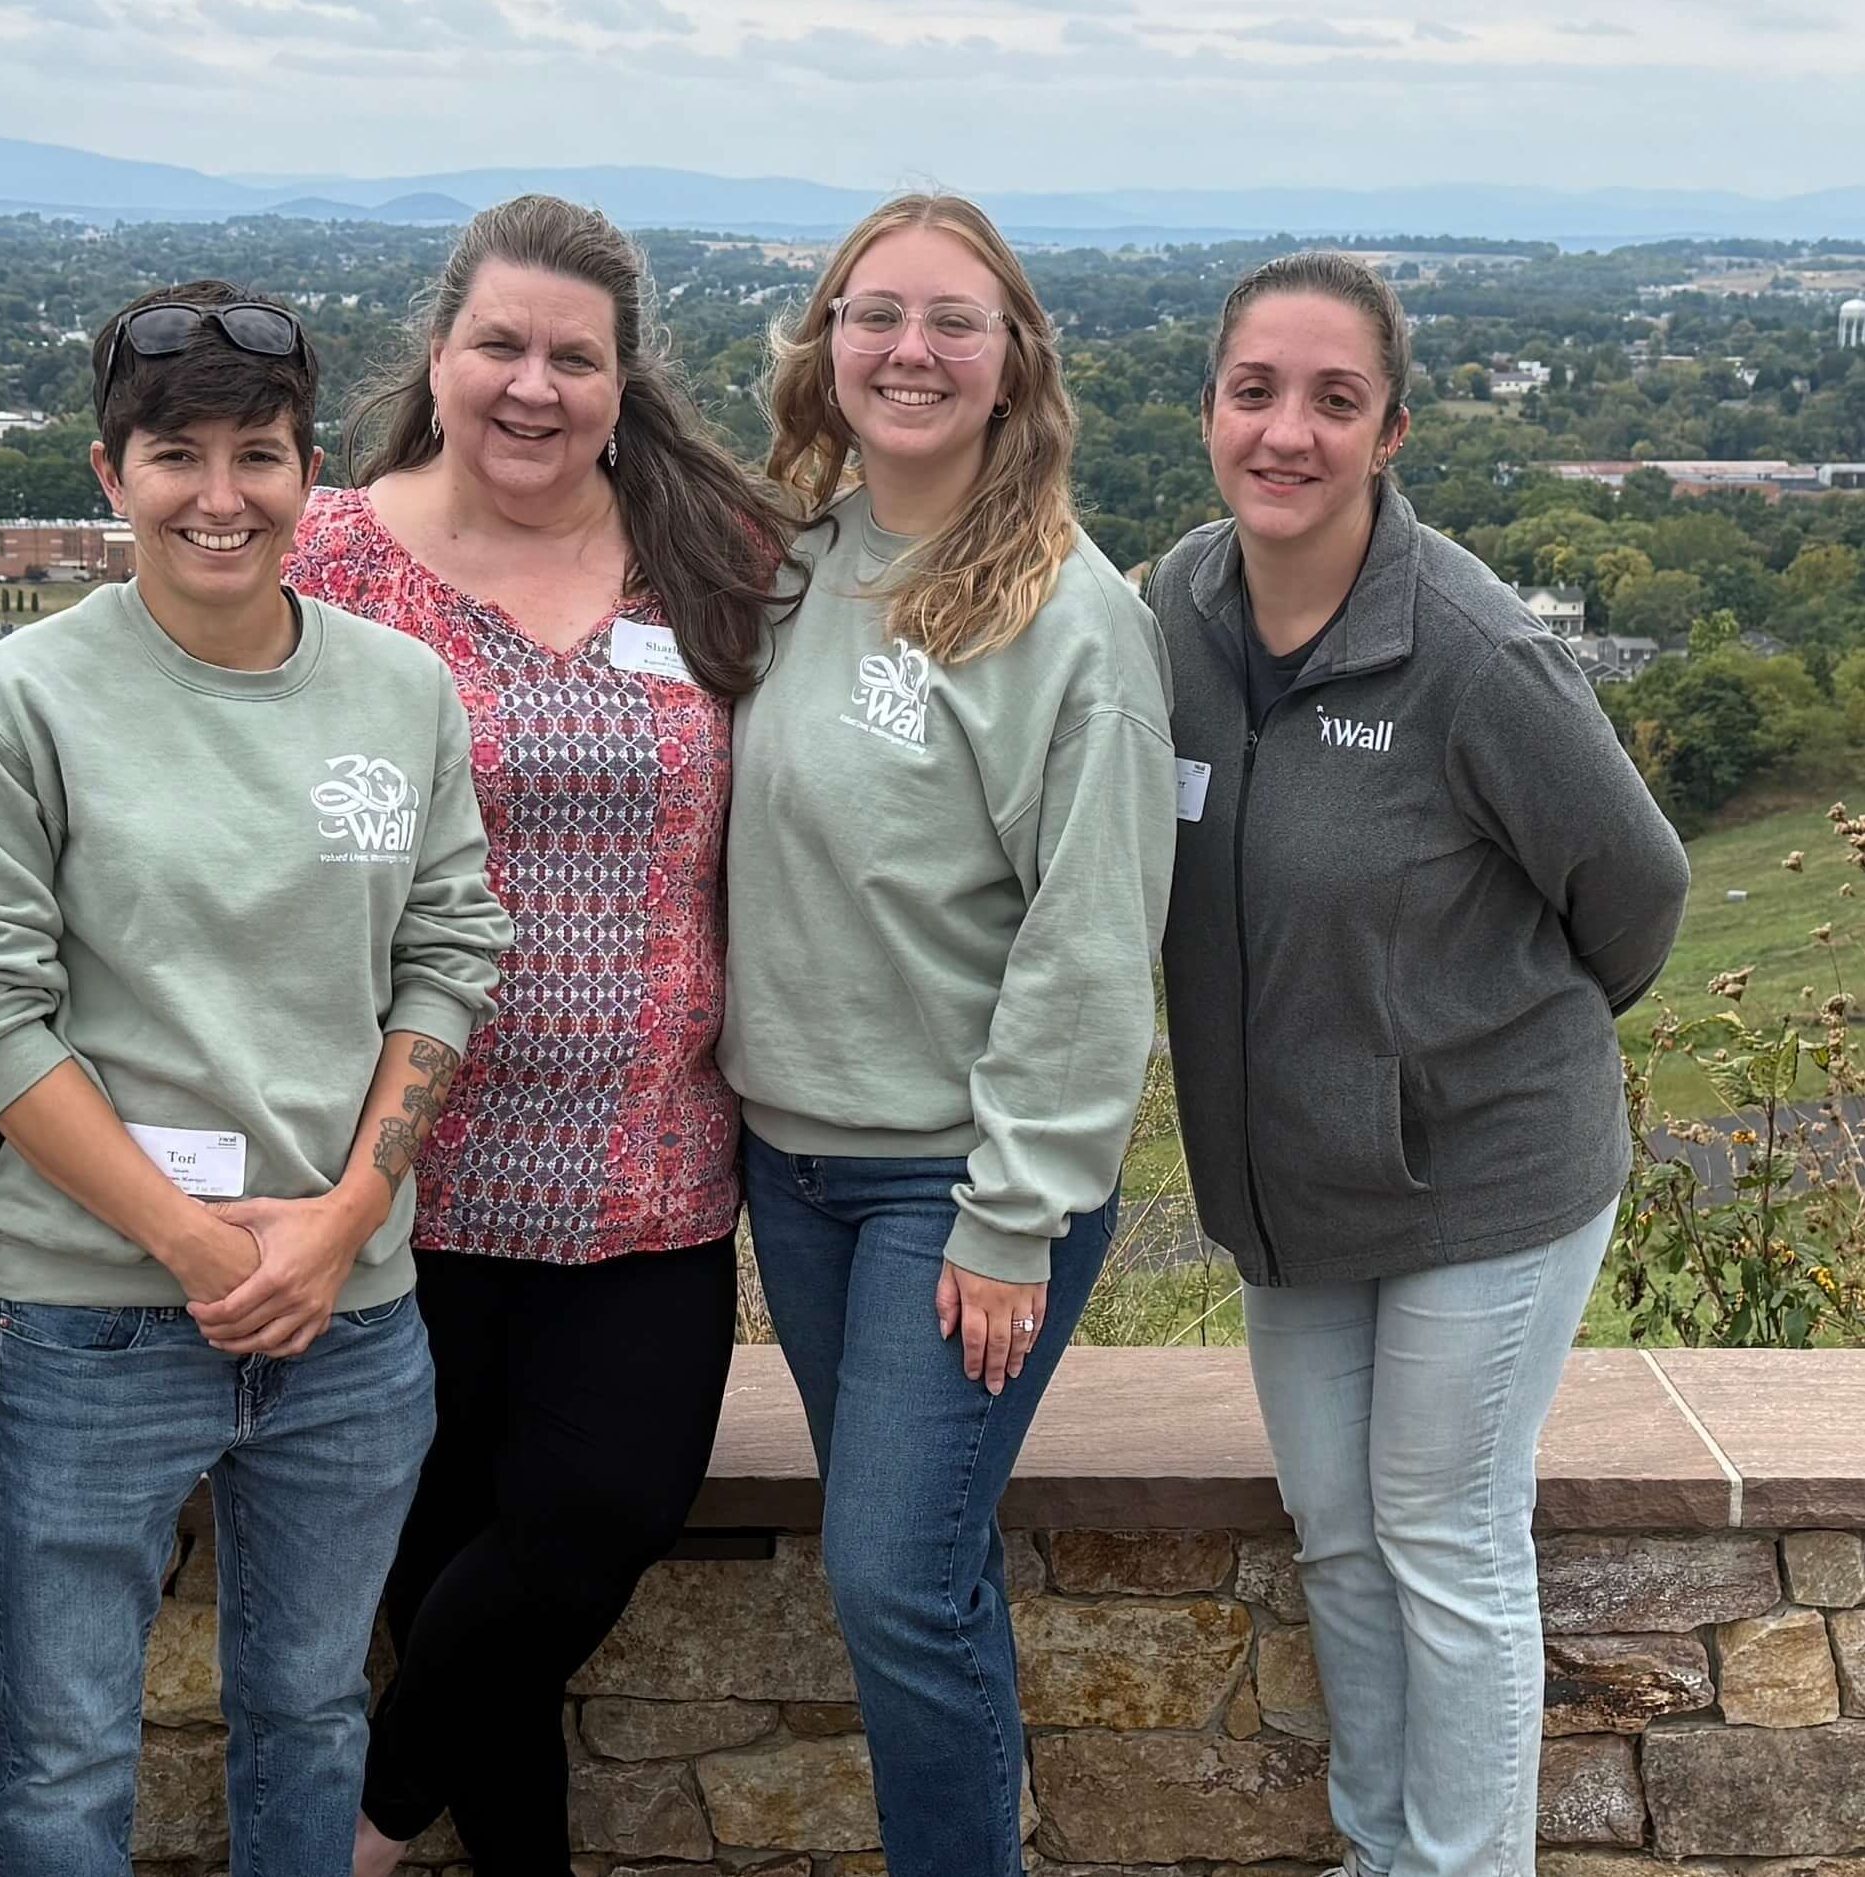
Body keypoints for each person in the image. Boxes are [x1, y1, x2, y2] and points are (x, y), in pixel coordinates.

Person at [0, 278, 512, 1875]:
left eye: (261, 454)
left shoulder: (402, 690)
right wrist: (191, 1240)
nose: (221, 496)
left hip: (349, 1314)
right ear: (112, 480)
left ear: (315, 472)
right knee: (62, 1749)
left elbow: (449, 957)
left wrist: (342, 1219)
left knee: (312, 1710)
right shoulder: (21, 701)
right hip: (98, 1308)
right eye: (177, 456)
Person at [1152, 252, 1689, 1877]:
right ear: (1207, 412)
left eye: (1333, 399)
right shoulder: (1166, 610)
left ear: (1390, 429)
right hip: (1287, 1185)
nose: (1287, 431)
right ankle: (1378, 1849)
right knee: (1338, 1539)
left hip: (1486, 1179)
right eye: (1255, 390)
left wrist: (1461, 1052)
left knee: (1443, 1535)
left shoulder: (1469, 649)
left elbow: (1637, 888)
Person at [284, 194, 790, 1877]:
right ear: (435, 355)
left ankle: (361, 1823)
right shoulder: (323, 556)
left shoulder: (707, 553)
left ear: (622, 381)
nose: (532, 383)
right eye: (499, 342)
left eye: (574, 355)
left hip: (648, 1174)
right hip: (390, 1180)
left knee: (588, 1527)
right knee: (446, 1591)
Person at [721, 193, 1175, 1876]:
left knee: (893, 1577)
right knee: (914, 1559)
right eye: (873, 312)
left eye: (952, 322)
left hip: (956, 1187)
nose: (908, 349)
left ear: (1012, 367)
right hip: (794, 1165)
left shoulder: (1068, 617)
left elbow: (1086, 941)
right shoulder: (787, 566)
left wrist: (1008, 1212)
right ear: (824, 344)